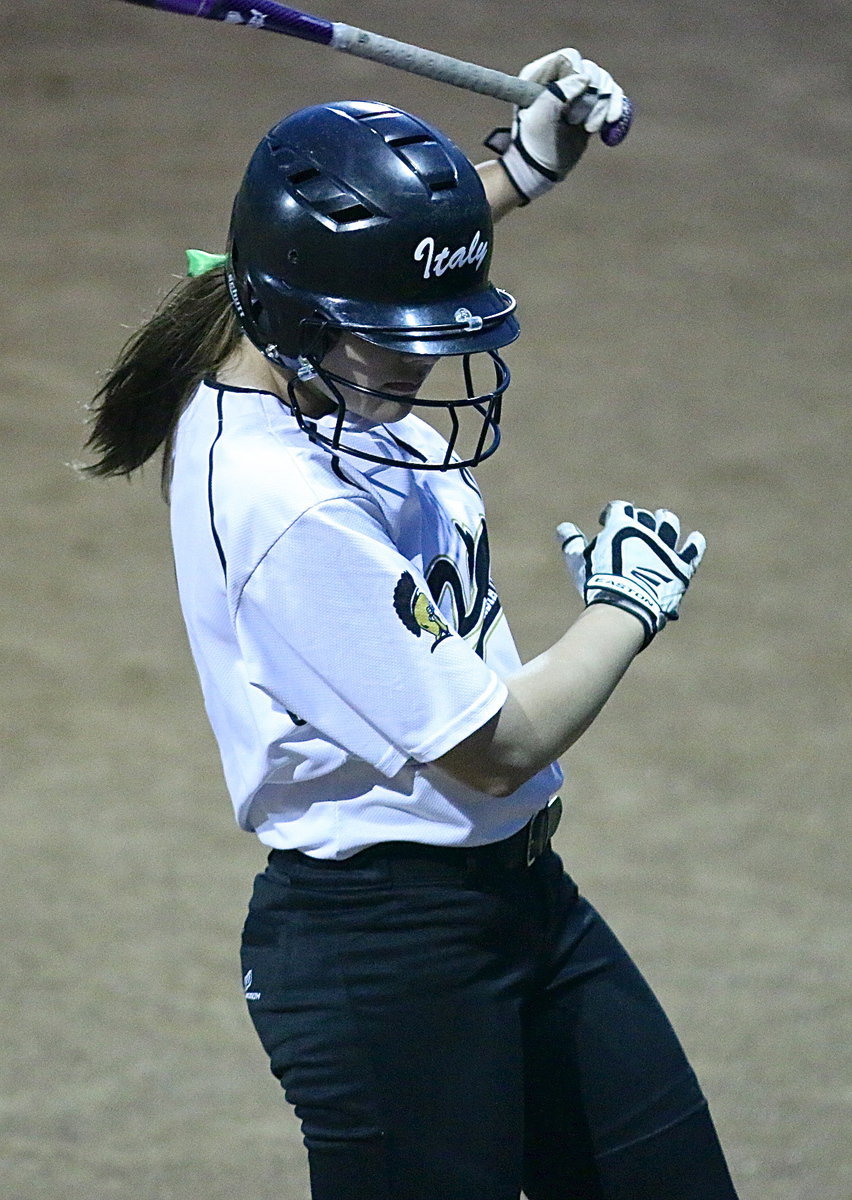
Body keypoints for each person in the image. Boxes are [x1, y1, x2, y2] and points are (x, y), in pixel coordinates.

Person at [84, 47, 740, 1200]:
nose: (426, 358)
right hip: (384, 957)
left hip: (525, 906)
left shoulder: (272, 336)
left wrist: (518, 169)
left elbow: (366, 256)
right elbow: (500, 747)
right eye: (394, 331)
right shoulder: (288, 505)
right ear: (297, 314)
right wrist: (627, 605)